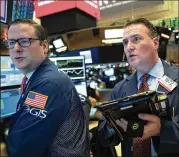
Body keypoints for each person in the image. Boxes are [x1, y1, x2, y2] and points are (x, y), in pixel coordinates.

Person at [5, 19, 89, 157]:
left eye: (25, 41)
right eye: (11, 42)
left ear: (44, 46)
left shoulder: (48, 84)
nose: (16, 48)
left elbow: (22, 148)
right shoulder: (40, 78)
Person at [98, 18, 179, 157]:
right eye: (125, 42)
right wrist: (112, 127)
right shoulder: (120, 89)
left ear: (155, 43)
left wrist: (164, 129)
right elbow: (102, 135)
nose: (129, 47)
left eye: (136, 39)